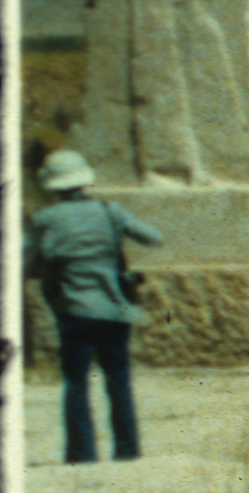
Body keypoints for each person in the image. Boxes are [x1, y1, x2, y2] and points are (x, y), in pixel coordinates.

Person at [24, 151, 165, 464]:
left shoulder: (46, 219)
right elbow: (153, 237)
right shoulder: (109, 211)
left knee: (76, 384)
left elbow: (25, 262)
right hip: (114, 309)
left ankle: (82, 454)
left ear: (53, 185)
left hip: (73, 310)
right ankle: (127, 450)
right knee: (119, 380)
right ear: (85, 180)